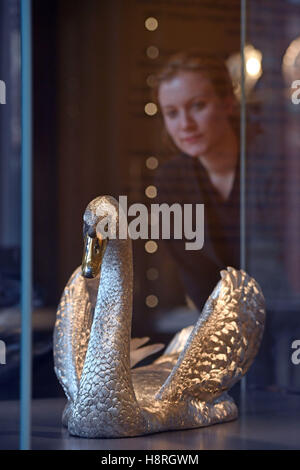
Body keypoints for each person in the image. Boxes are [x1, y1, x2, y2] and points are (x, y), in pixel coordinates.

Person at [154, 50, 241, 312]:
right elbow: (197, 280)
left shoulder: (275, 164)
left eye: (197, 106)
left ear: (228, 102)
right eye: (172, 113)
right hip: (226, 328)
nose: (186, 124)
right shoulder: (171, 182)